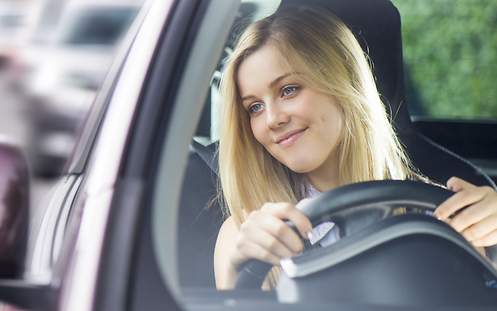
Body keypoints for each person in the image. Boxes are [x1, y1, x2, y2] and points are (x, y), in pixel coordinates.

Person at [213, 6, 497, 290]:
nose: (273, 119)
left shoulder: (440, 213)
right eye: (255, 107)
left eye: (289, 90)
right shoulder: (244, 236)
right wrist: (238, 272)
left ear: (344, 82)